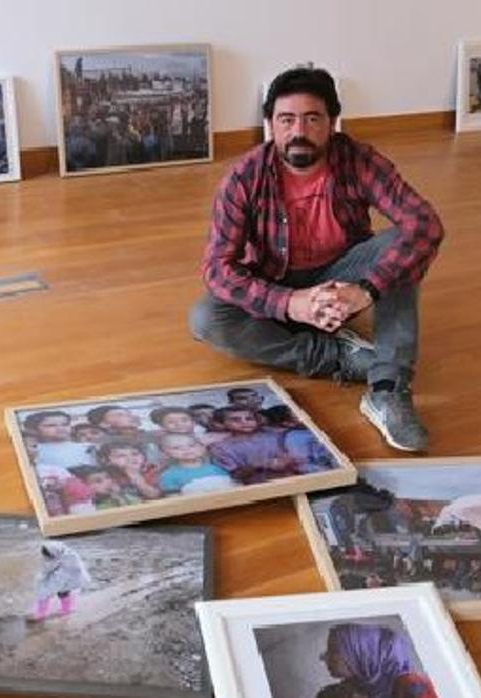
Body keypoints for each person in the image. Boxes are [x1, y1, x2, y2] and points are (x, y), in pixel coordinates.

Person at [189, 67, 444, 452]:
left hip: (344, 281)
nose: (298, 131)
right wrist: (291, 303)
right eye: (286, 120)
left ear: (332, 122)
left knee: (405, 245)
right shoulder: (243, 177)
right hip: (277, 283)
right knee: (207, 318)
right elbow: (217, 267)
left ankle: (388, 387)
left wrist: (366, 290)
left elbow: (424, 224)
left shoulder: (359, 161)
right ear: (270, 125)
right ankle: (340, 356)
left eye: (312, 119)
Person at [317, 623, 438, 698]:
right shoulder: (352, 687)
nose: (323, 657)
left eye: (333, 651)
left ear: (362, 654)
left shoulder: (411, 686)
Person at [155, 432, 237, 494]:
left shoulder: (216, 468)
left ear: (202, 448)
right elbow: (173, 499)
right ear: (165, 454)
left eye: (191, 445)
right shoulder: (169, 475)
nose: (186, 449)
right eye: (177, 448)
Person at [30, 540, 91, 622]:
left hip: (68, 578)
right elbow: (49, 566)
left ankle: (44, 613)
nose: (47, 558)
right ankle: (65, 609)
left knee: (50, 592)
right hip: (64, 577)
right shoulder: (61, 553)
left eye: (49, 556)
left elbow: (67, 571)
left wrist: (48, 580)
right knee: (59, 592)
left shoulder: (69, 558)